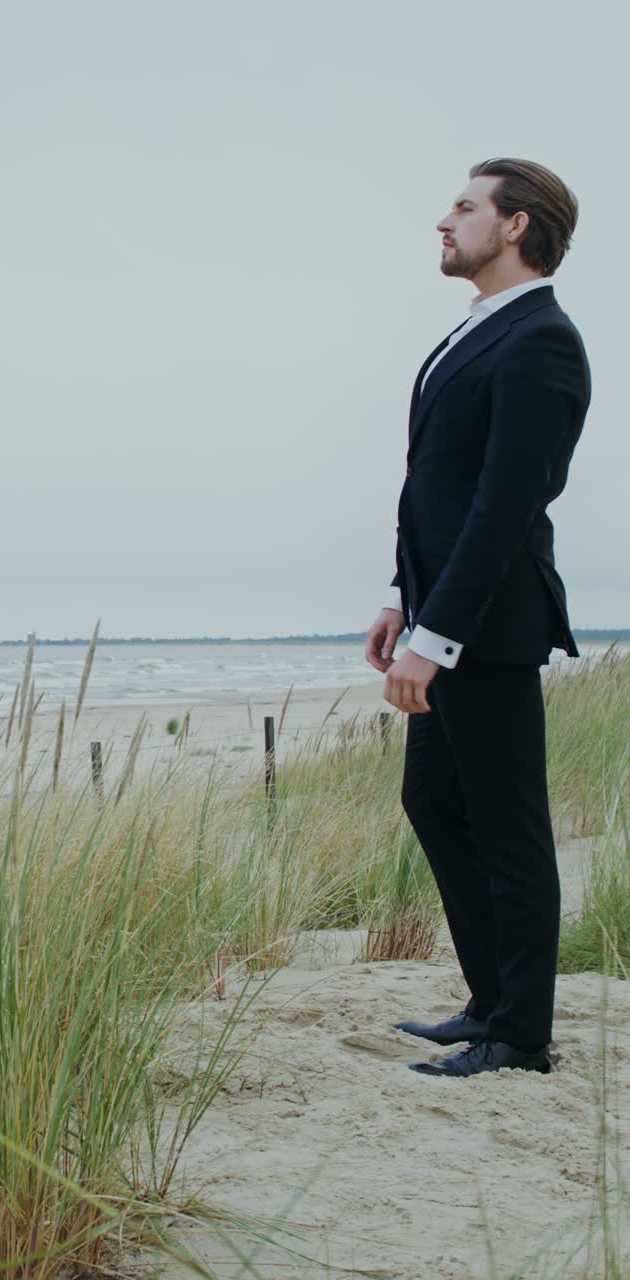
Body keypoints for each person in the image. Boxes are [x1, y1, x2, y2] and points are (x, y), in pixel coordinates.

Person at [364, 157, 591, 1078]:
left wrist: (436, 635)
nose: (443, 221)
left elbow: (506, 504)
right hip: (439, 611)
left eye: (464, 207)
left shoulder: (543, 340)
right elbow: (438, 488)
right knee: (435, 802)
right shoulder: (474, 333)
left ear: (519, 226)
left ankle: (521, 1035)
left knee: (508, 826)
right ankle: (490, 1000)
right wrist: (398, 597)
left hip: (489, 627)